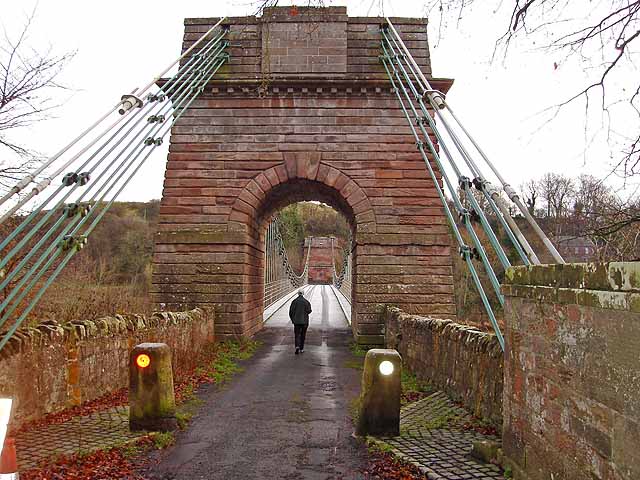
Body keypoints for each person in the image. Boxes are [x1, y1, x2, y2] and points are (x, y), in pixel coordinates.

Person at [289, 290, 312, 354]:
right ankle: (301, 348)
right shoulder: (306, 302)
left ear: (298, 293)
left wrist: (293, 319)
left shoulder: (294, 301)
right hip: (305, 322)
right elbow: (309, 311)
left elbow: (290, 312)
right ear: (303, 294)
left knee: (297, 335)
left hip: (296, 322)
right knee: (303, 335)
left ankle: (297, 346)